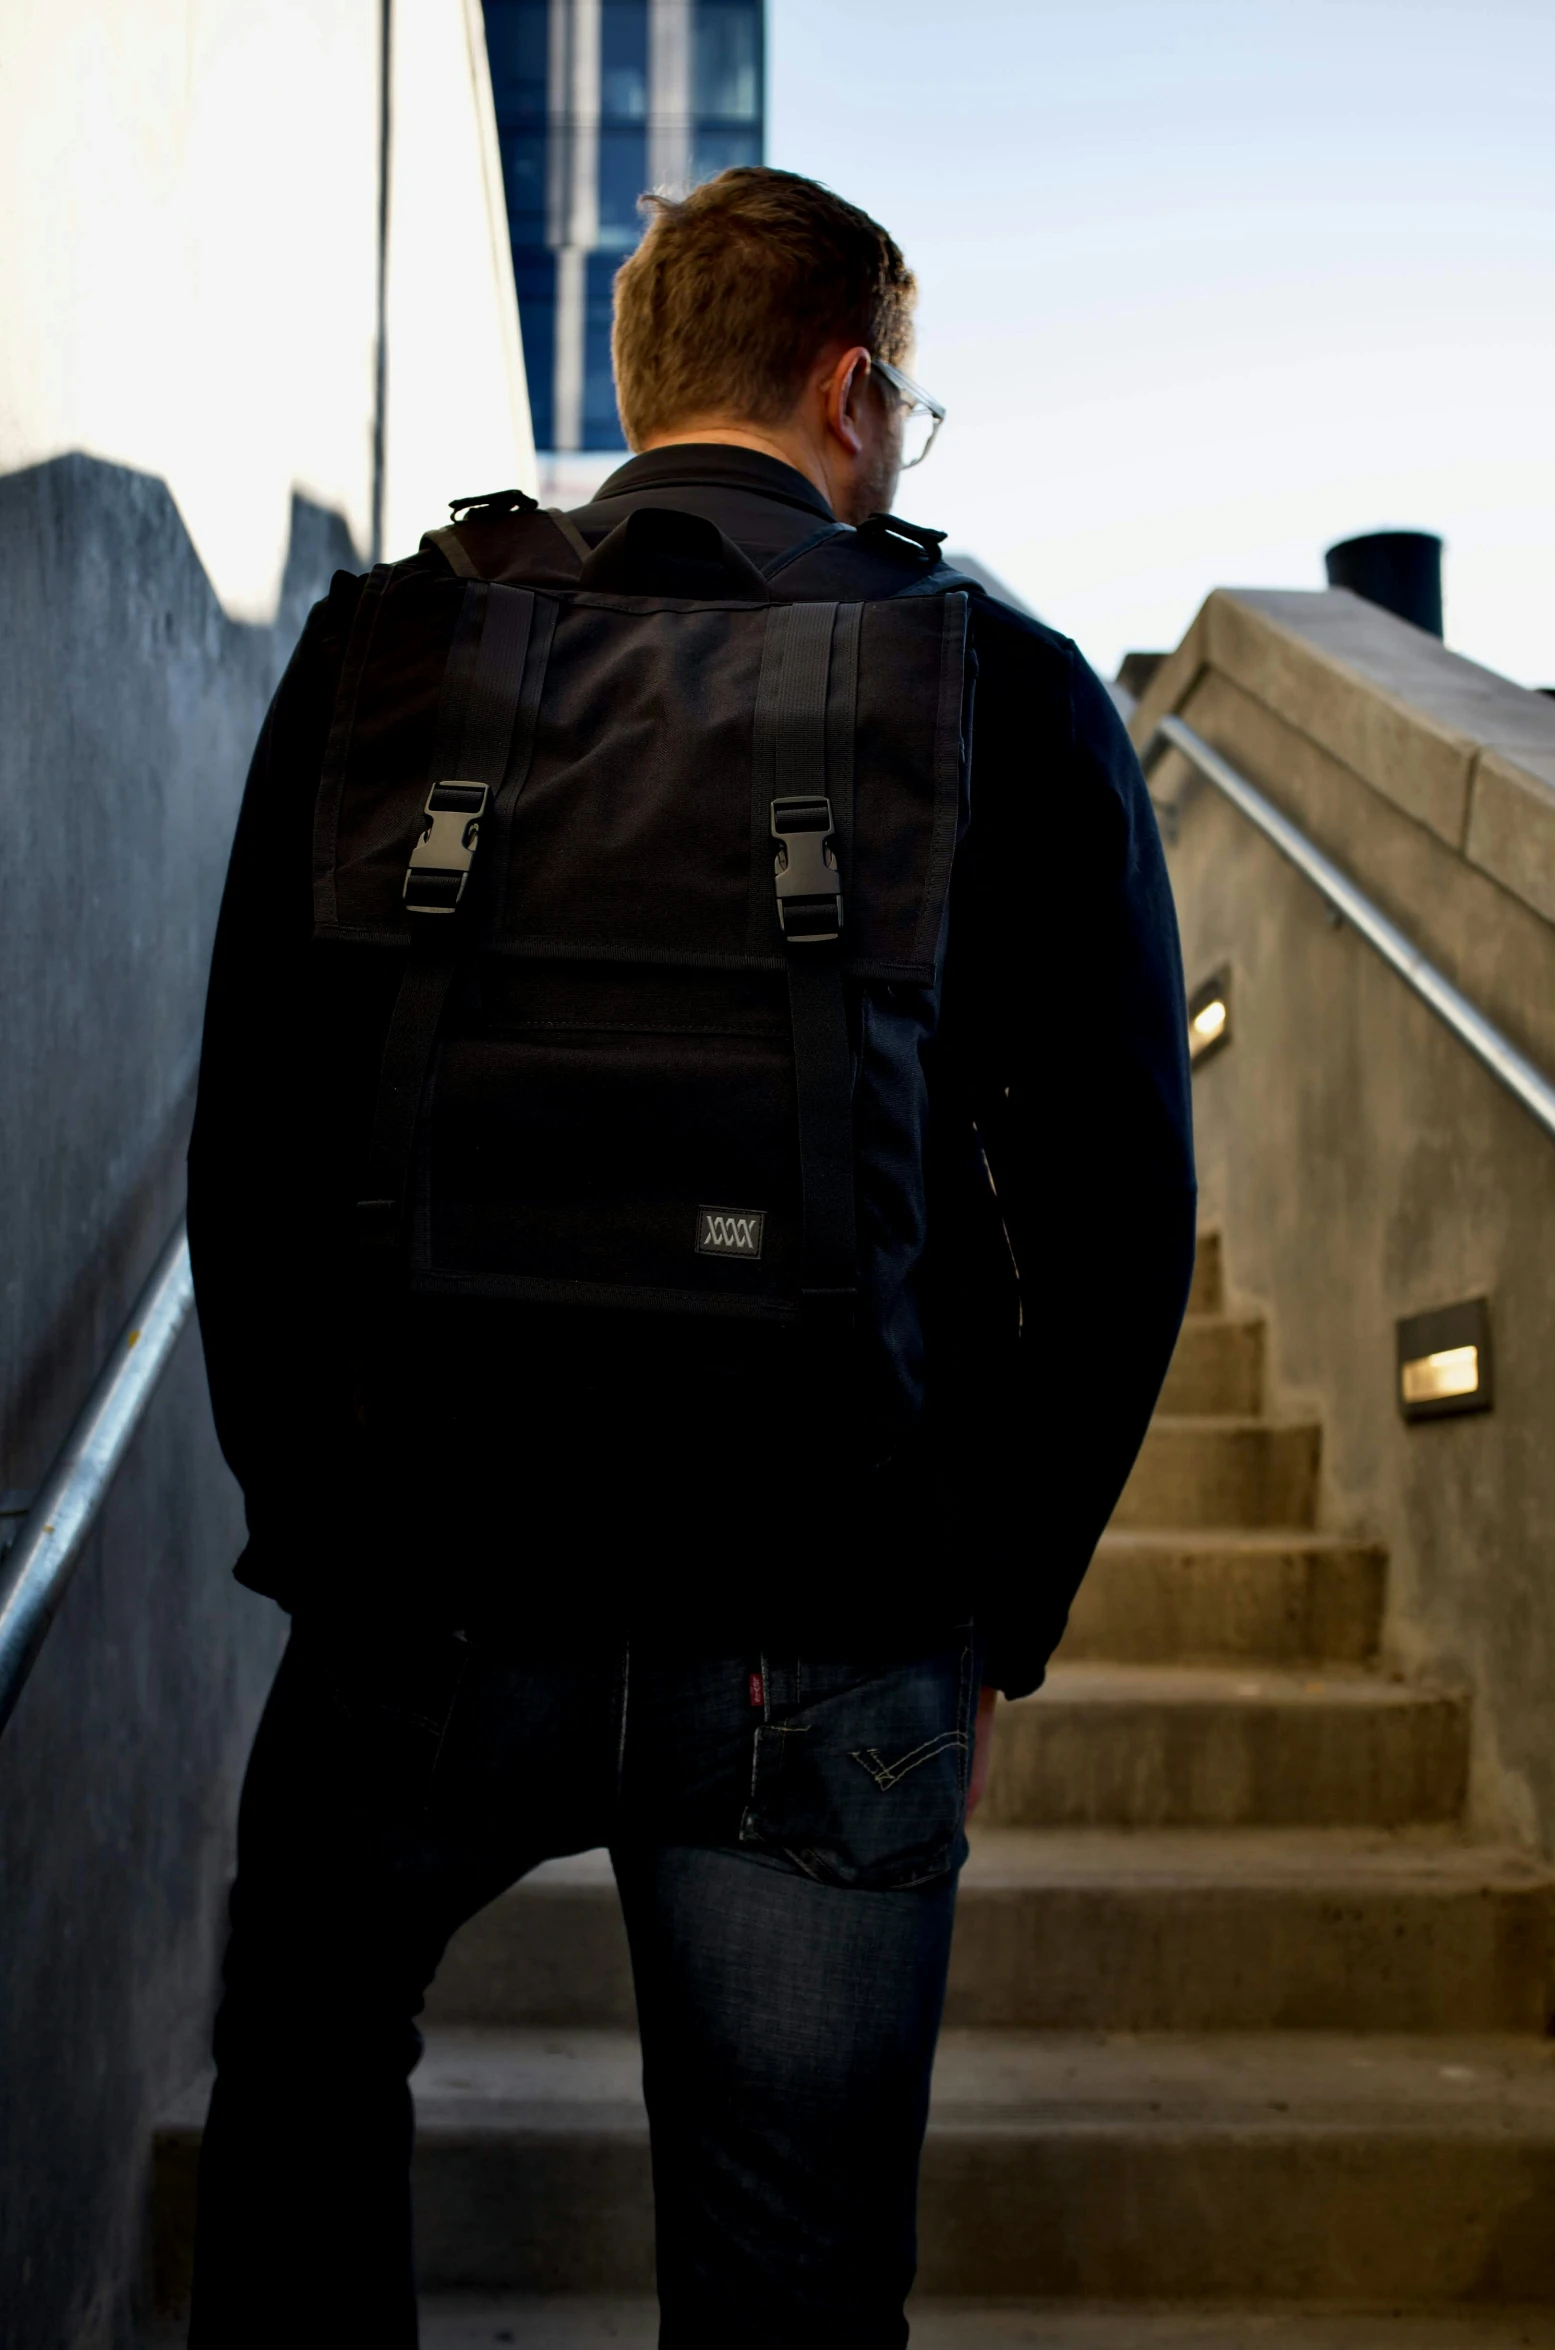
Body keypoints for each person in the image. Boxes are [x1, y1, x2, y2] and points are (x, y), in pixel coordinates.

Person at [184, 166, 1195, 2347]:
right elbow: (1120, 1222)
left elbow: (253, 1141)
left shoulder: (391, 647)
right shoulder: (998, 685)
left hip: (426, 1585)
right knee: (791, 2275)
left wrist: (326, 1520)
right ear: (854, 392)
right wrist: (989, 1611)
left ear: (651, 385)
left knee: (294, 2119)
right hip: (828, 1624)